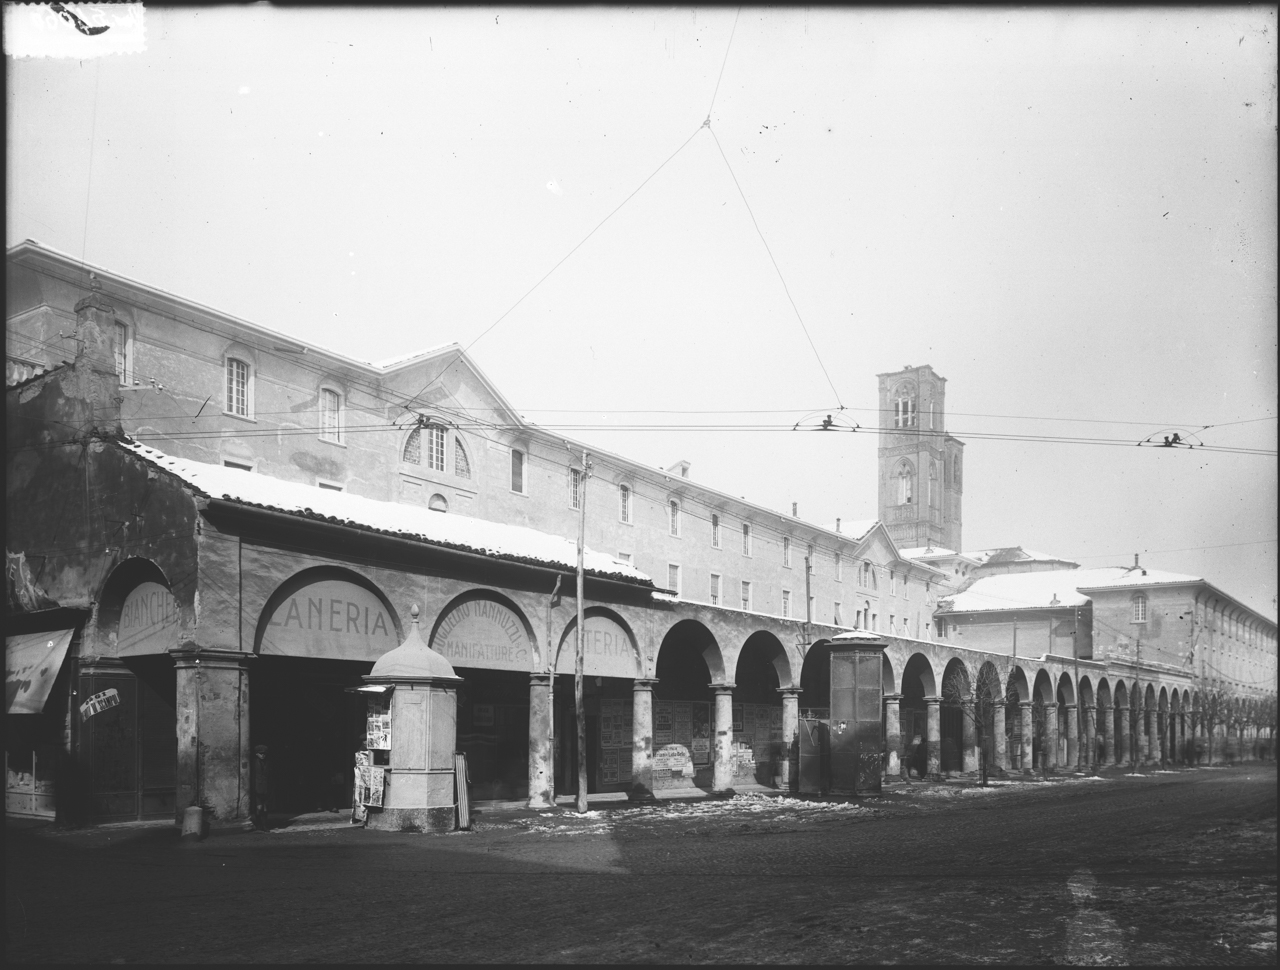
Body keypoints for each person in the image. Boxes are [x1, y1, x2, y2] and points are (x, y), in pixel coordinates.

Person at [252, 744, 269, 830]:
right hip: (257, 788)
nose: (263, 755)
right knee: (259, 807)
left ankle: (265, 825)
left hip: (265, 789)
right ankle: (259, 825)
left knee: (265, 808)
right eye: (260, 753)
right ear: (256, 754)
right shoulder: (254, 764)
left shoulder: (267, 763)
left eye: (264, 753)